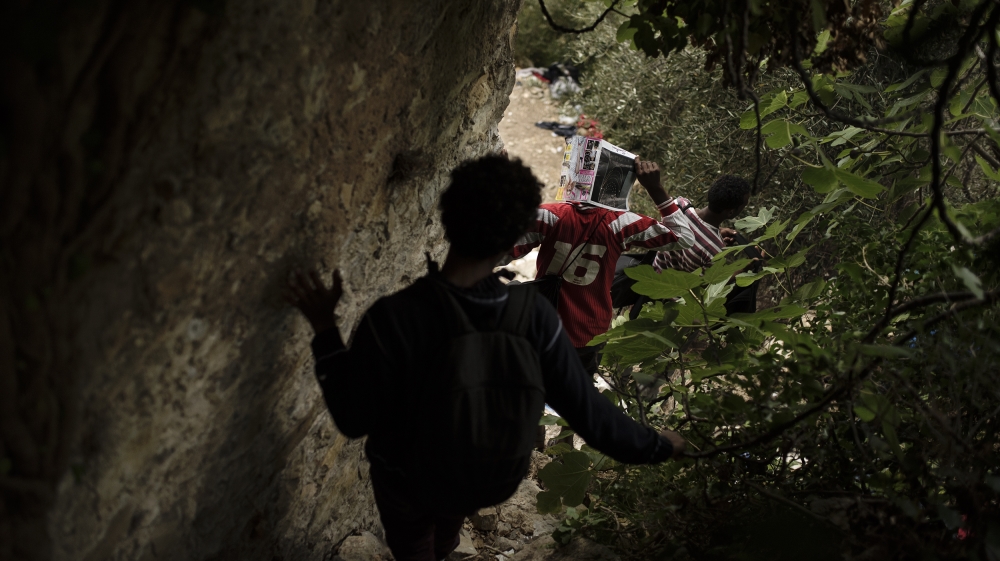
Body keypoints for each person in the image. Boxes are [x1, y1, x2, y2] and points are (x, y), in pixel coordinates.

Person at [286, 156, 686, 561]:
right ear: (516, 235)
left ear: (446, 221)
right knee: (449, 515)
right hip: (486, 478)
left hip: (409, 479)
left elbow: (351, 418)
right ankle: (445, 546)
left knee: (414, 540)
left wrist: (325, 328)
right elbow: (586, 410)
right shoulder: (533, 317)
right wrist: (655, 445)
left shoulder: (395, 316)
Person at [509, 157, 694, 374]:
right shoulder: (620, 224)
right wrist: (655, 189)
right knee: (575, 389)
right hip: (589, 333)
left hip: (541, 326)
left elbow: (498, 251)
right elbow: (683, 237)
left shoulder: (549, 216)